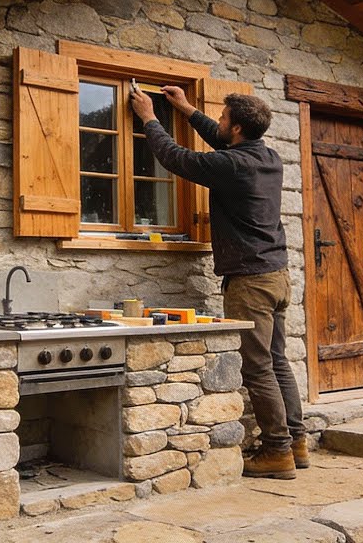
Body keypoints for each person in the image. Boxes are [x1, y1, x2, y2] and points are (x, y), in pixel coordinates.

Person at [129, 83, 306, 480]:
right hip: (277, 275)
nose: (220, 122)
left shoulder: (232, 166)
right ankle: (297, 441)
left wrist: (150, 118)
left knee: (258, 369)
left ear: (239, 128)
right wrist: (189, 110)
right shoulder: (269, 157)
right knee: (277, 362)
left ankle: (277, 452)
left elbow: (176, 158)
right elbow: (223, 141)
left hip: (250, 282)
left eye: (224, 118)